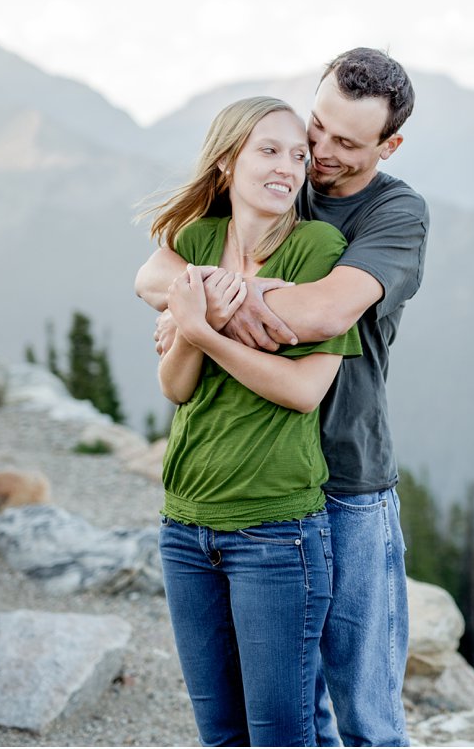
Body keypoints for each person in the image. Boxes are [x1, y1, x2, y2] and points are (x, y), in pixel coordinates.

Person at [138, 48, 428, 749]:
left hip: (347, 481)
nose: (319, 153)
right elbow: (154, 270)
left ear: (388, 145)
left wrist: (203, 310)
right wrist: (199, 300)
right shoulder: (280, 176)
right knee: (297, 704)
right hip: (255, 483)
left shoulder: (395, 211)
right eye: (317, 127)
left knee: (364, 708)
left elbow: (325, 313)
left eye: (346, 143)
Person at [147, 95, 362, 749]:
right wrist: (192, 328)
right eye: (269, 149)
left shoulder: (317, 248)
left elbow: (303, 390)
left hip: (276, 533)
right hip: (185, 525)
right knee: (220, 735)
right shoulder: (199, 241)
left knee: (281, 737)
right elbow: (176, 386)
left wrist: (202, 329)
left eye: (299, 154)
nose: (289, 166)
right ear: (225, 160)